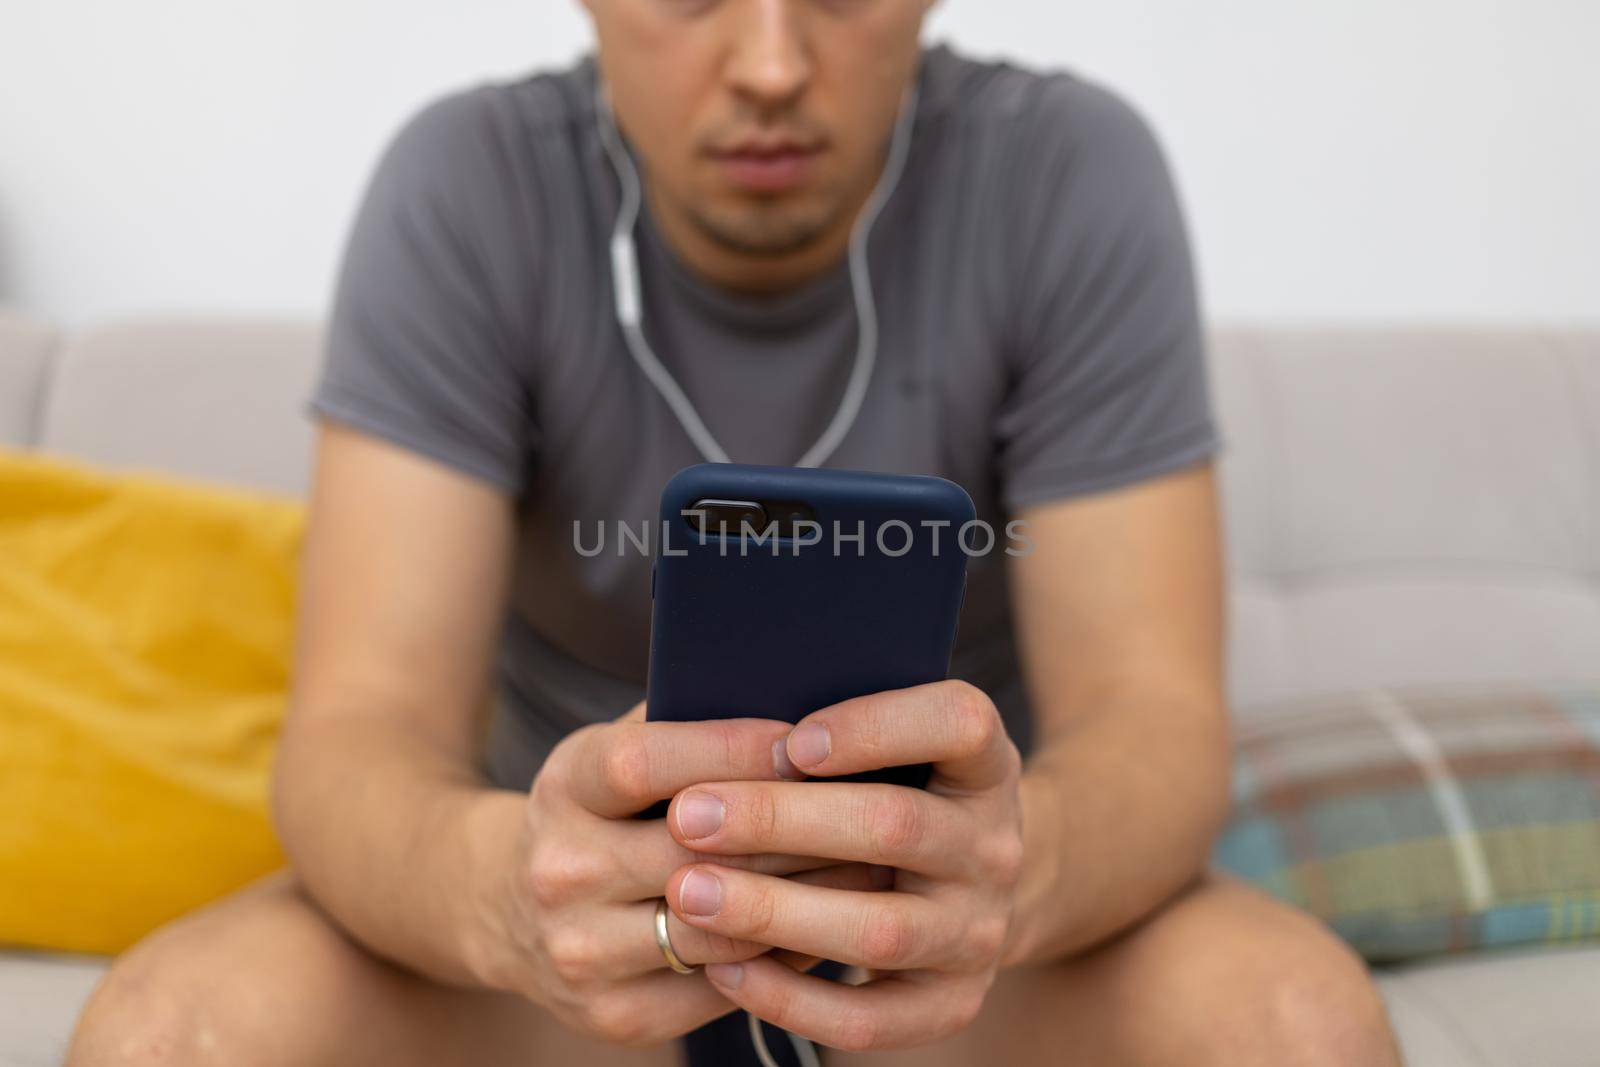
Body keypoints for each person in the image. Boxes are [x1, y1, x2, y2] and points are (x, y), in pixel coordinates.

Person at [68, 2, 1402, 1064]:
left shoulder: (1066, 169)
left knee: (1298, 1028)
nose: (770, 63)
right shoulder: (466, 183)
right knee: (167, 1036)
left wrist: (1005, 876)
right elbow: (357, 731)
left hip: (953, 957)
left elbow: (1152, 718)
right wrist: (511, 895)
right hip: (566, 960)